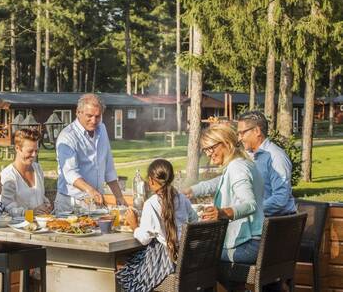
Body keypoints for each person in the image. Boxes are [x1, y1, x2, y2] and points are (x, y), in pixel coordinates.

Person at [183, 124, 264, 264]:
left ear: (226, 143)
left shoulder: (236, 167)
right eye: (205, 150)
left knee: (192, 254)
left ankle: (228, 286)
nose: (208, 154)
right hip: (256, 242)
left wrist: (222, 213)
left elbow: (250, 205)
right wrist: (193, 191)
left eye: (211, 148)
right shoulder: (244, 163)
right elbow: (221, 181)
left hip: (248, 246)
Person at [116, 159, 197, 292]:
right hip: (186, 258)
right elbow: (194, 220)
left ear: (151, 180)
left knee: (122, 264)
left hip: (165, 261)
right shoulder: (182, 199)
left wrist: (134, 225)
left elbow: (144, 239)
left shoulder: (151, 204)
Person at [55, 93, 126, 212]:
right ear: (78, 112)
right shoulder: (67, 137)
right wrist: (91, 191)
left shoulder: (102, 129)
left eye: (97, 116)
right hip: (71, 204)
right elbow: (70, 173)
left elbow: (108, 168)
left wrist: (119, 197)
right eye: (89, 116)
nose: (94, 121)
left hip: (94, 202)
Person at [237, 110, 296, 216]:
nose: (239, 138)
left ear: (257, 131)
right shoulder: (248, 155)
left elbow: (280, 199)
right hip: (258, 217)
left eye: (242, 133)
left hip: (278, 221)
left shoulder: (276, 157)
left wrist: (249, 211)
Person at [1, 128, 51, 217]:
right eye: (30, 151)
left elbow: (38, 196)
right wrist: (30, 213)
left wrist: (46, 204)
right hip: (18, 227)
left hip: (41, 224)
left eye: (36, 151)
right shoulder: (8, 176)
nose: (34, 155)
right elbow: (6, 208)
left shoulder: (37, 168)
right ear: (17, 148)